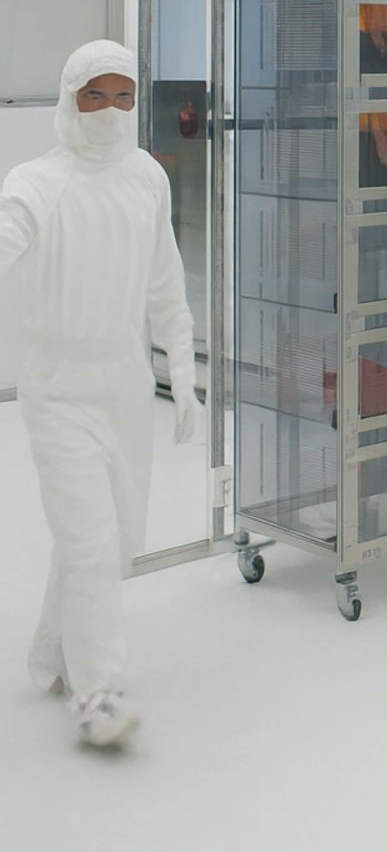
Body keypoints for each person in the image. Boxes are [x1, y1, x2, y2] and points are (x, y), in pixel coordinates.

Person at [0, 41, 203, 748]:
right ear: (69, 98)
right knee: (87, 543)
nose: (111, 112)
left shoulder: (146, 175)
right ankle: (98, 696)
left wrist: (181, 372)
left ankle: (52, 650)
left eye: (124, 97)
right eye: (96, 96)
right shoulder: (34, 183)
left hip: (122, 384)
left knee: (113, 542)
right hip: (59, 389)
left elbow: (164, 282)